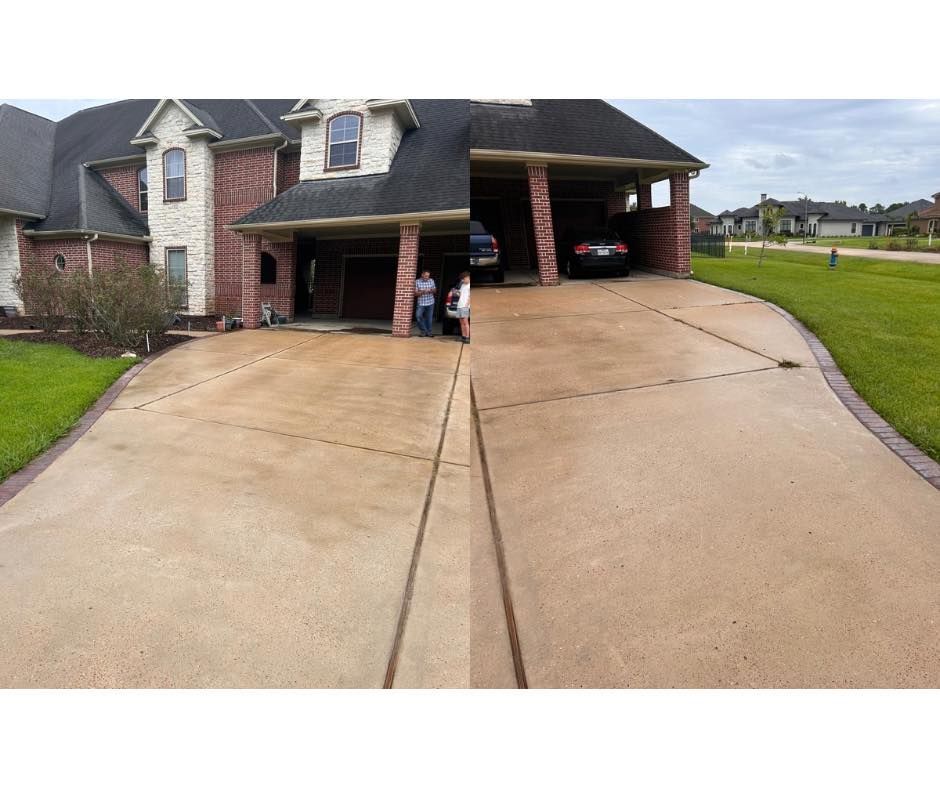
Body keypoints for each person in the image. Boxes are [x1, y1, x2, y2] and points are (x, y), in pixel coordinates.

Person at [413, 269, 437, 337]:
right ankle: (423, 330)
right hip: (421, 303)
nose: (427, 277)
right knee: (418, 316)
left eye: (428, 276)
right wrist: (423, 291)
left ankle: (429, 333)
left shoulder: (431, 280)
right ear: (422, 275)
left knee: (429, 318)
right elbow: (415, 294)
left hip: (430, 302)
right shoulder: (417, 281)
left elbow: (435, 290)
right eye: (426, 276)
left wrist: (431, 290)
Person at [456, 270, 470, 344]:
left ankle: (467, 337)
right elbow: (460, 294)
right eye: (461, 279)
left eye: (463, 279)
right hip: (459, 305)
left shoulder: (469, 285)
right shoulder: (463, 285)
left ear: (467, 278)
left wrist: (466, 305)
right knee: (461, 322)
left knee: (465, 322)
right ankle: (463, 336)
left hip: (464, 306)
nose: (462, 280)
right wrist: (456, 292)